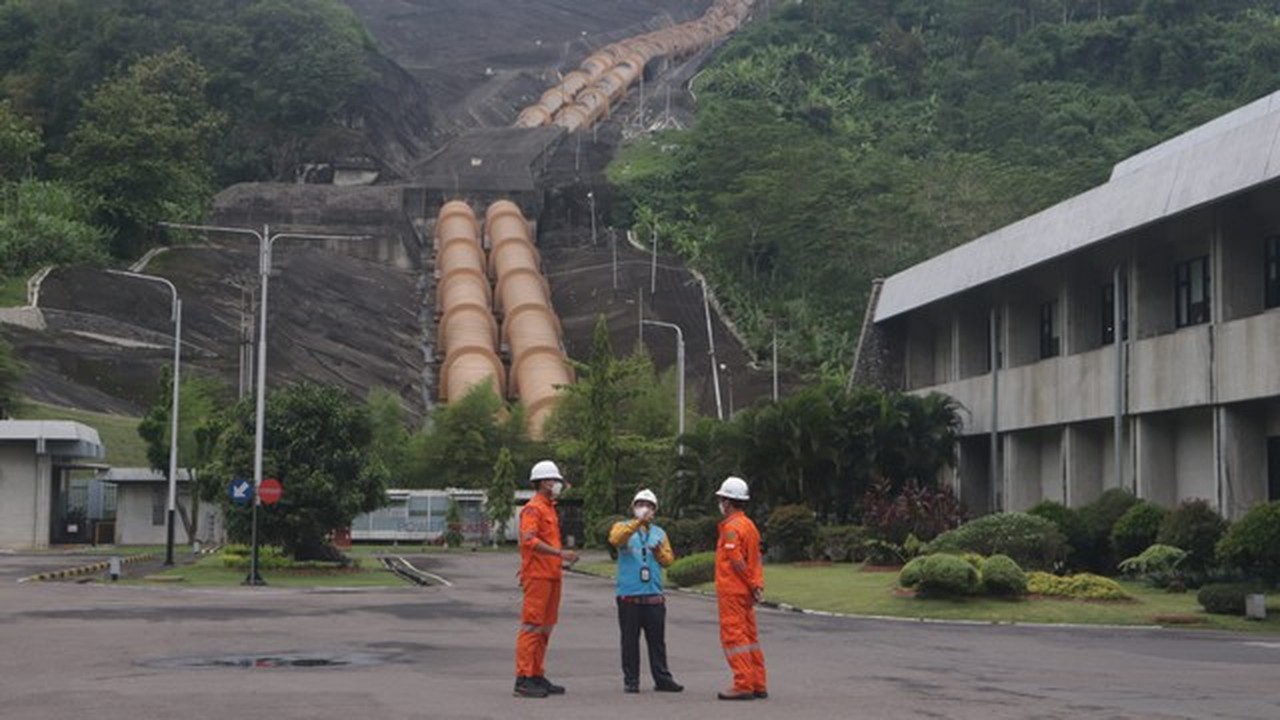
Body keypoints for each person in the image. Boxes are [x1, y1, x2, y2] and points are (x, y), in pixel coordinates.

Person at [608, 489, 684, 694]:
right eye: (641, 504)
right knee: (630, 640)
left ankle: (662, 678)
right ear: (634, 507)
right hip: (629, 595)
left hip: (653, 595)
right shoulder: (622, 527)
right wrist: (637, 523)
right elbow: (616, 540)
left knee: (657, 641)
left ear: (655, 510)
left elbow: (668, 560)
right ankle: (631, 680)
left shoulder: (660, 533)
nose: (645, 509)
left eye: (649, 506)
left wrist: (659, 551)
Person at [513, 460, 578, 698]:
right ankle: (523, 677)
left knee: (545, 628)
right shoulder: (534, 509)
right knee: (532, 626)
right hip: (537, 576)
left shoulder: (550, 507)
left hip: (551, 575)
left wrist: (559, 560)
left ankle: (536, 674)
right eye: (553, 480)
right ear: (541, 483)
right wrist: (560, 554)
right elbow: (529, 539)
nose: (557, 484)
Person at [713, 476, 767, 701]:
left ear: (728, 502)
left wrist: (752, 583)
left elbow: (737, 561)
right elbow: (756, 560)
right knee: (750, 637)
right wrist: (756, 585)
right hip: (745, 591)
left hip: (733, 591)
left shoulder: (732, 528)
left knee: (734, 637)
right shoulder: (750, 525)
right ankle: (757, 682)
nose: (721, 504)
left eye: (722, 500)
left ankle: (743, 683)